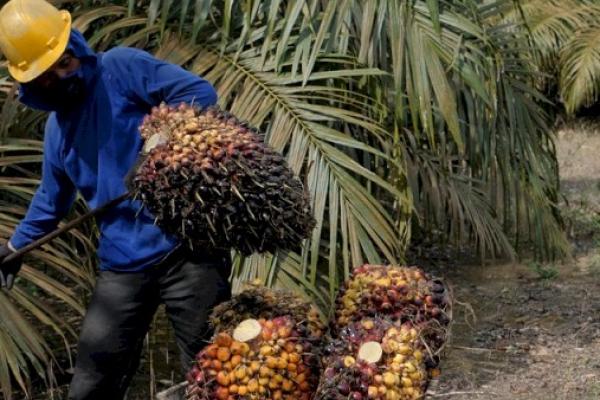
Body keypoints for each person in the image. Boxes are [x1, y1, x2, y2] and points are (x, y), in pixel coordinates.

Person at [0, 0, 231, 398]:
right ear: (32, 83)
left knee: (214, 374)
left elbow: (199, 93)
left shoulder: (121, 68)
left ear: (76, 45)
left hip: (187, 248)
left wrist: (157, 147)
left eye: (65, 61)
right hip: (122, 265)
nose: (62, 74)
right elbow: (50, 201)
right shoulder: (58, 132)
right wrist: (14, 247)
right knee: (92, 381)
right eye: (48, 74)